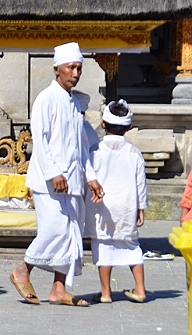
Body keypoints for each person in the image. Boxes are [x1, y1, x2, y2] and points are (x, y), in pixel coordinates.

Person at [9, 42, 104, 307]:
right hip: (49, 182)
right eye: (71, 67)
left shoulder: (75, 104)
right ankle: (23, 270)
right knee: (54, 230)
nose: (75, 73)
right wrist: (53, 173)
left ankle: (59, 289)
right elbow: (40, 139)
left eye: (79, 68)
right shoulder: (46, 99)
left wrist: (91, 177)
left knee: (72, 232)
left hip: (73, 180)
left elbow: (81, 147)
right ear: (57, 69)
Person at [84, 99, 148, 304]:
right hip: (127, 204)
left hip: (101, 205)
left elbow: (88, 176)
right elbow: (140, 183)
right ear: (129, 127)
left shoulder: (94, 150)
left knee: (103, 245)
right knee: (131, 244)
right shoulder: (134, 153)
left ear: (103, 123)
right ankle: (140, 289)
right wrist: (141, 208)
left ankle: (105, 293)